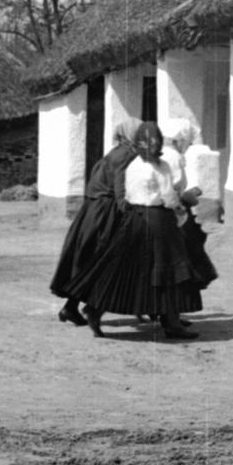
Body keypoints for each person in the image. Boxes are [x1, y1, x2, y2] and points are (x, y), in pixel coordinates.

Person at [71, 121, 203, 340]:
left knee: (125, 270)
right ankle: (171, 323)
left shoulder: (132, 165)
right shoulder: (162, 166)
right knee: (170, 270)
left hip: (135, 220)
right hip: (159, 220)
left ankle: (96, 308)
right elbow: (168, 197)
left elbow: (127, 192)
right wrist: (184, 203)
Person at [49, 119, 138, 327]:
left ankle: (71, 307)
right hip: (105, 212)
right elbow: (120, 186)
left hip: (92, 209)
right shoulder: (127, 155)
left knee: (88, 258)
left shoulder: (113, 153)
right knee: (101, 259)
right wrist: (127, 209)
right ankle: (82, 307)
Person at [161, 118, 216, 302]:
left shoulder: (162, 154)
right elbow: (172, 191)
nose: (188, 145)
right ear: (181, 139)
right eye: (187, 142)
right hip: (176, 215)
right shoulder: (174, 157)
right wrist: (188, 197)